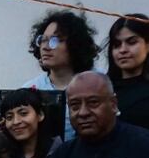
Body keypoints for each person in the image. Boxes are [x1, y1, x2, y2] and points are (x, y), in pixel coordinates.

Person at [23, 9, 100, 143]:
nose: (45, 47)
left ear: (75, 44)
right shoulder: (30, 89)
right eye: (42, 40)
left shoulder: (99, 82)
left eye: (55, 40)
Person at [0, 87, 60, 158]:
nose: (16, 122)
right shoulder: (3, 157)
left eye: (23, 113)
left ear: (40, 115)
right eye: (9, 117)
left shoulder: (59, 153)